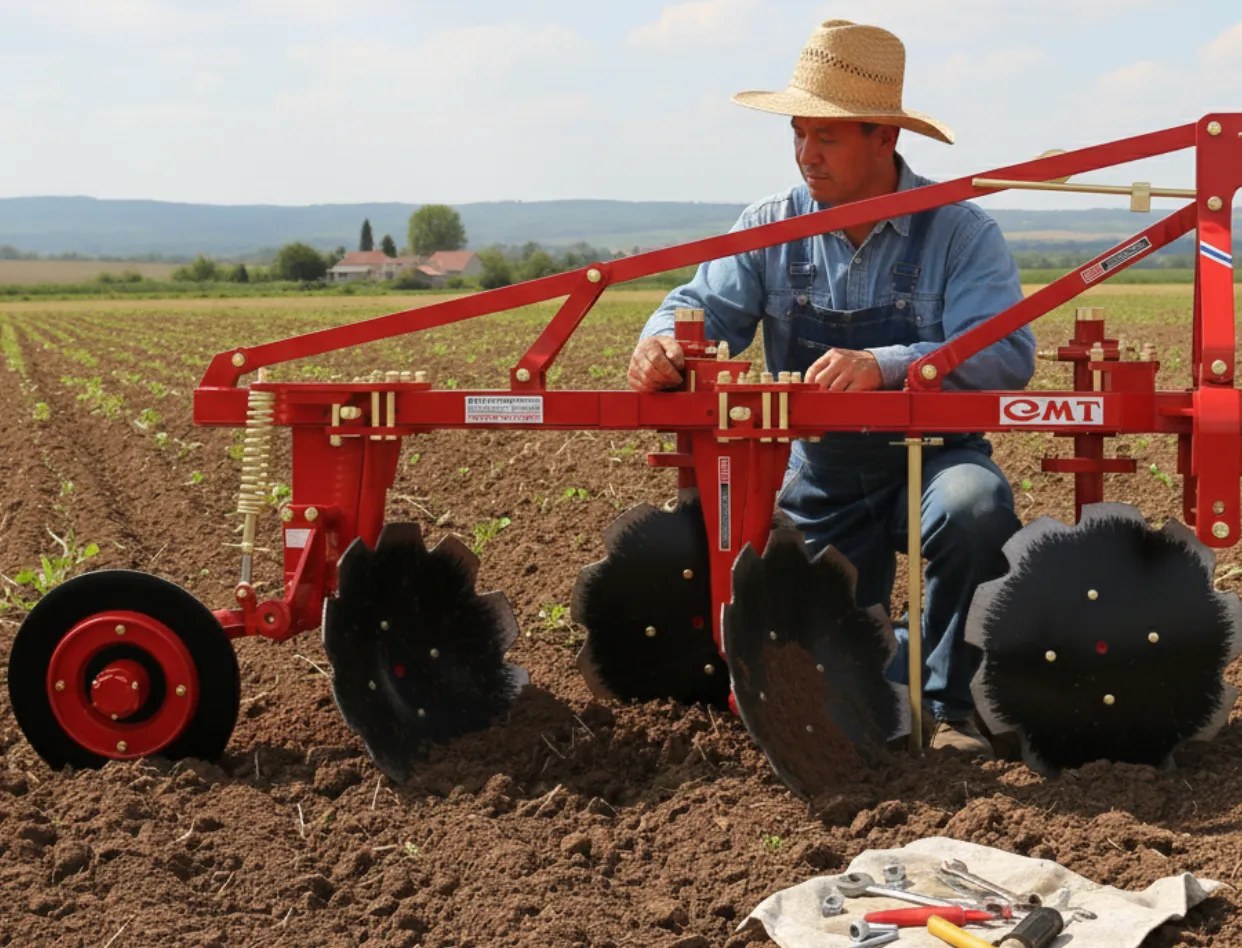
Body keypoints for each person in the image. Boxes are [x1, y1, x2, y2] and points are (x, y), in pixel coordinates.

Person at [628, 19, 1036, 757]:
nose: (806, 153)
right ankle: (873, 687)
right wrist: (661, 342)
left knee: (974, 508)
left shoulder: (959, 232)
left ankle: (946, 708)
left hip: (931, 460)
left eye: (828, 137)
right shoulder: (771, 227)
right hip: (818, 473)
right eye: (798, 134)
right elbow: (699, 309)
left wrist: (889, 365)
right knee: (828, 666)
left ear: (885, 138)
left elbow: (1006, 353)